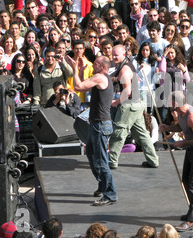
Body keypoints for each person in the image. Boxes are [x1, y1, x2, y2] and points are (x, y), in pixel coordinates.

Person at [65, 54, 118, 206]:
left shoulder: (101, 77)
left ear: (103, 67)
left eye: (95, 63)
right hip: (97, 124)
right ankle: (102, 185)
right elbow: (83, 82)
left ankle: (110, 194)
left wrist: (75, 69)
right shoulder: (101, 78)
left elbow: (78, 87)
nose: (92, 65)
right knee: (91, 154)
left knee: (101, 161)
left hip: (101, 125)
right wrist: (80, 70)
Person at [159, 91, 193, 232]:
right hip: (192, 149)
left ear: (176, 104)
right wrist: (168, 128)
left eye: (170, 102)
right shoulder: (181, 114)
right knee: (186, 180)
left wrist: (184, 142)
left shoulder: (192, 116)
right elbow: (182, 127)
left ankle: (192, 220)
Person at [108, 45, 159, 169]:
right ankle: (153, 160)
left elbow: (127, 91)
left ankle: (111, 161)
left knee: (118, 133)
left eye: (117, 55)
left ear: (124, 54)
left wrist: (116, 102)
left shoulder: (125, 69)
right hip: (137, 104)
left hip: (129, 105)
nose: (114, 57)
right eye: (113, 54)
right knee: (142, 135)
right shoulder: (127, 64)